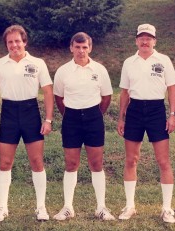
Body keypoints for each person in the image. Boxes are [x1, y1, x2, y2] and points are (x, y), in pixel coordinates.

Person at [0, 25, 53, 222]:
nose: (14, 45)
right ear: (6, 44)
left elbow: (48, 91)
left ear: (24, 41)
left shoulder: (38, 63)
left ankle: (41, 207)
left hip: (31, 112)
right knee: (5, 163)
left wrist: (48, 119)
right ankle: (3, 207)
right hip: (8, 114)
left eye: (17, 41)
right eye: (10, 42)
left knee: (36, 161)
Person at [117, 24, 175, 223]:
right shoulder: (129, 62)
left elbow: (172, 89)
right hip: (134, 111)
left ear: (155, 41)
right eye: (141, 37)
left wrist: (172, 114)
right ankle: (130, 205)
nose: (145, 41)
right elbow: (125, 92)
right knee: (131, 159)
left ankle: (167, 208)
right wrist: (121, 117)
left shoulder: (164, 60)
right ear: (136, 40)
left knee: (163, 160)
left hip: (156, 111)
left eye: (149, 38)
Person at [53, 32, 115, 221]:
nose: (81, 51)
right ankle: (68, 207)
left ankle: (101, 207)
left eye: (84, 47)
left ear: (90, 48)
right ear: (71, 47)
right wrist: (71, 115)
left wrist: (94, 115)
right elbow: (59, 98)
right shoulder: (63, 71)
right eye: (77, 47)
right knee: (71, 164)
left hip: (93, 118)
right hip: (71, 118)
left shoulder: (99, 70)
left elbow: (106, 97)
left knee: (96, 164)